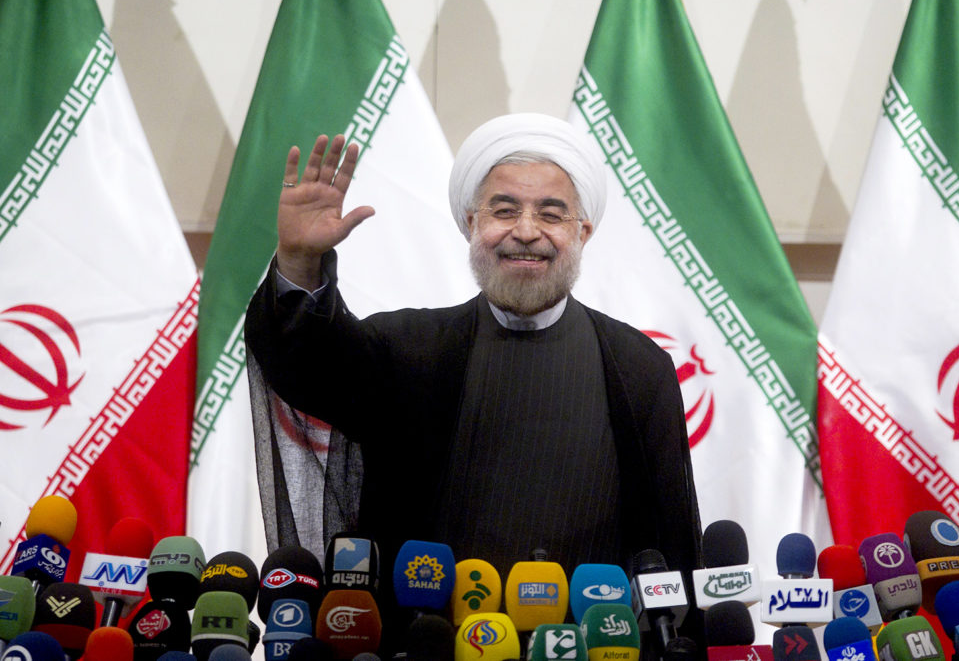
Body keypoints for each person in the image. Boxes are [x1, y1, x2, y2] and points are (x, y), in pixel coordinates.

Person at [245, 114, 703, 650]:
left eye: (550, 214)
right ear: (470, 223)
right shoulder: (406, 347)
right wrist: (301, 261)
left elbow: (669, 545)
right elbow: (306, 366)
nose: (526, 231)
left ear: (583, 232)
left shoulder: (637, 366)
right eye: (503, 211)